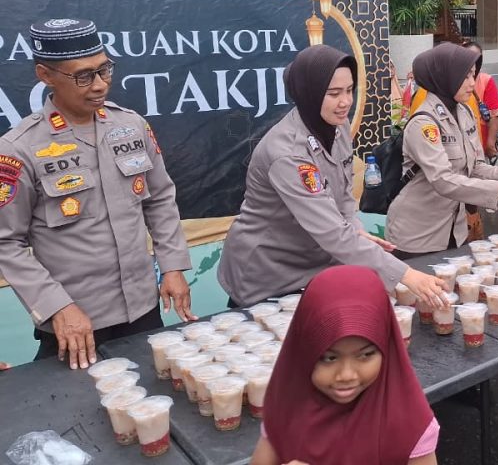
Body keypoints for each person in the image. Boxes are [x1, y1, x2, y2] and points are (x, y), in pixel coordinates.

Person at [0, 18, 194, 370]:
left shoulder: (131, 125)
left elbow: (160, 199)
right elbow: (5, 242)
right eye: (83, 76)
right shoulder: (20, 148)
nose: (100, 84)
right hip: (75, 324)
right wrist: (56, 306)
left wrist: (173, 266)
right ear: (45, 75)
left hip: (143, 310)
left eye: (104, 69)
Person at [219, 46, 447, 309]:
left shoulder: (337, 128)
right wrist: (406, 275)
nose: (345, 102)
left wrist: (356, 229)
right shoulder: (288, 154)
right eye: (334, 93)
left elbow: (344, 196)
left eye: (349, 90)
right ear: (309, 93)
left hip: (311, 267)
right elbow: (332, 232)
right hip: (265, 276)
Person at [250, 265, 438, 465]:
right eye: (329, 358)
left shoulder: (409, 424)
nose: (347, 375)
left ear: (387, 349)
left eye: (365, 355)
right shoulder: (286, 411)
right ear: (303, 354)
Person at [387, 44, 498, 258]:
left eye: (473, 75)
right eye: (465, 77)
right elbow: (443, 180)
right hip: (418, 235)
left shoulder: (464, 112)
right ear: (444, 77)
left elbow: (475, 166)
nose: (472, 83)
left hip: (454, 230)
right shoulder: (424, 123)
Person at [462, 40, 498, 160]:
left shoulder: (485, 80)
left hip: (480, 141)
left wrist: (490, 144)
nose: (472, 60)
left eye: (476, 57)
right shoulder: (453, 80)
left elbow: (495, 114)